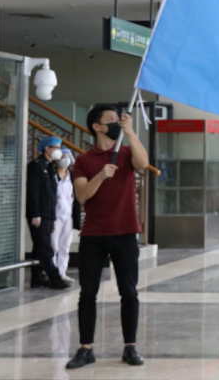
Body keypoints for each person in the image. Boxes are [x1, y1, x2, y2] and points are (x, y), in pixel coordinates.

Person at [65, 105, 150, 369]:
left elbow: (143, 163)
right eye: (110, 120)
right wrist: (101, 175)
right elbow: (82, 196)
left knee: (129, 292)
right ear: (96, 127)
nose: (116, 123)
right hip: (93, 234)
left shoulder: (125, 153)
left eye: (118, 120)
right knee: (88, 293)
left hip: (125, 232)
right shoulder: (83, 161)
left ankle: (130, 347)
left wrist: (132, 133)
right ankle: (85, 348)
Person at [25, 137, 69, 290]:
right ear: (47, 149)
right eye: (56, 147)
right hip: (39, 214)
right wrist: (35, 214)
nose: (58, 150)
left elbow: (53, 194)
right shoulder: (36, 166)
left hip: (49, 213)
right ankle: (54, 277)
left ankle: (37, 277)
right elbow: (33, 192)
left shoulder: (51, 166)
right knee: (46, 247)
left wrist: (54, 216)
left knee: (39, 247)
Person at [51, 154, 76, 284]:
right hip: (55, 216)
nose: (65, 159)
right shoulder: (52, 175)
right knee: (53, 246)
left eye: (67, 156)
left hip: (68, 216)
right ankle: (53, 273)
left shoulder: (71, 177)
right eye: (63, 156)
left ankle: (62, 272)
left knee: (65, 246)